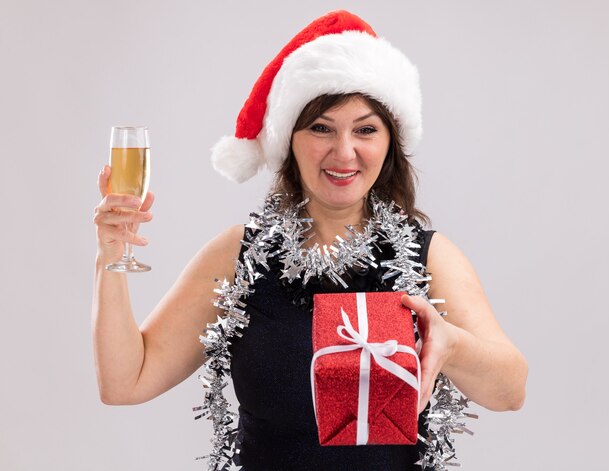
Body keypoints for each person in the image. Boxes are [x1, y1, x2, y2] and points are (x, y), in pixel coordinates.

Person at [92, 10, 528, 471]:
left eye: (365, 129)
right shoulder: (238, 257)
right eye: (321, 127)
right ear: (288, 142)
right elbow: (126, 382)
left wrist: (451, 344)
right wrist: (110, 255)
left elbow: (511, 388)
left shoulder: (427, 257)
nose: (344, 152)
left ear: (389, 143)